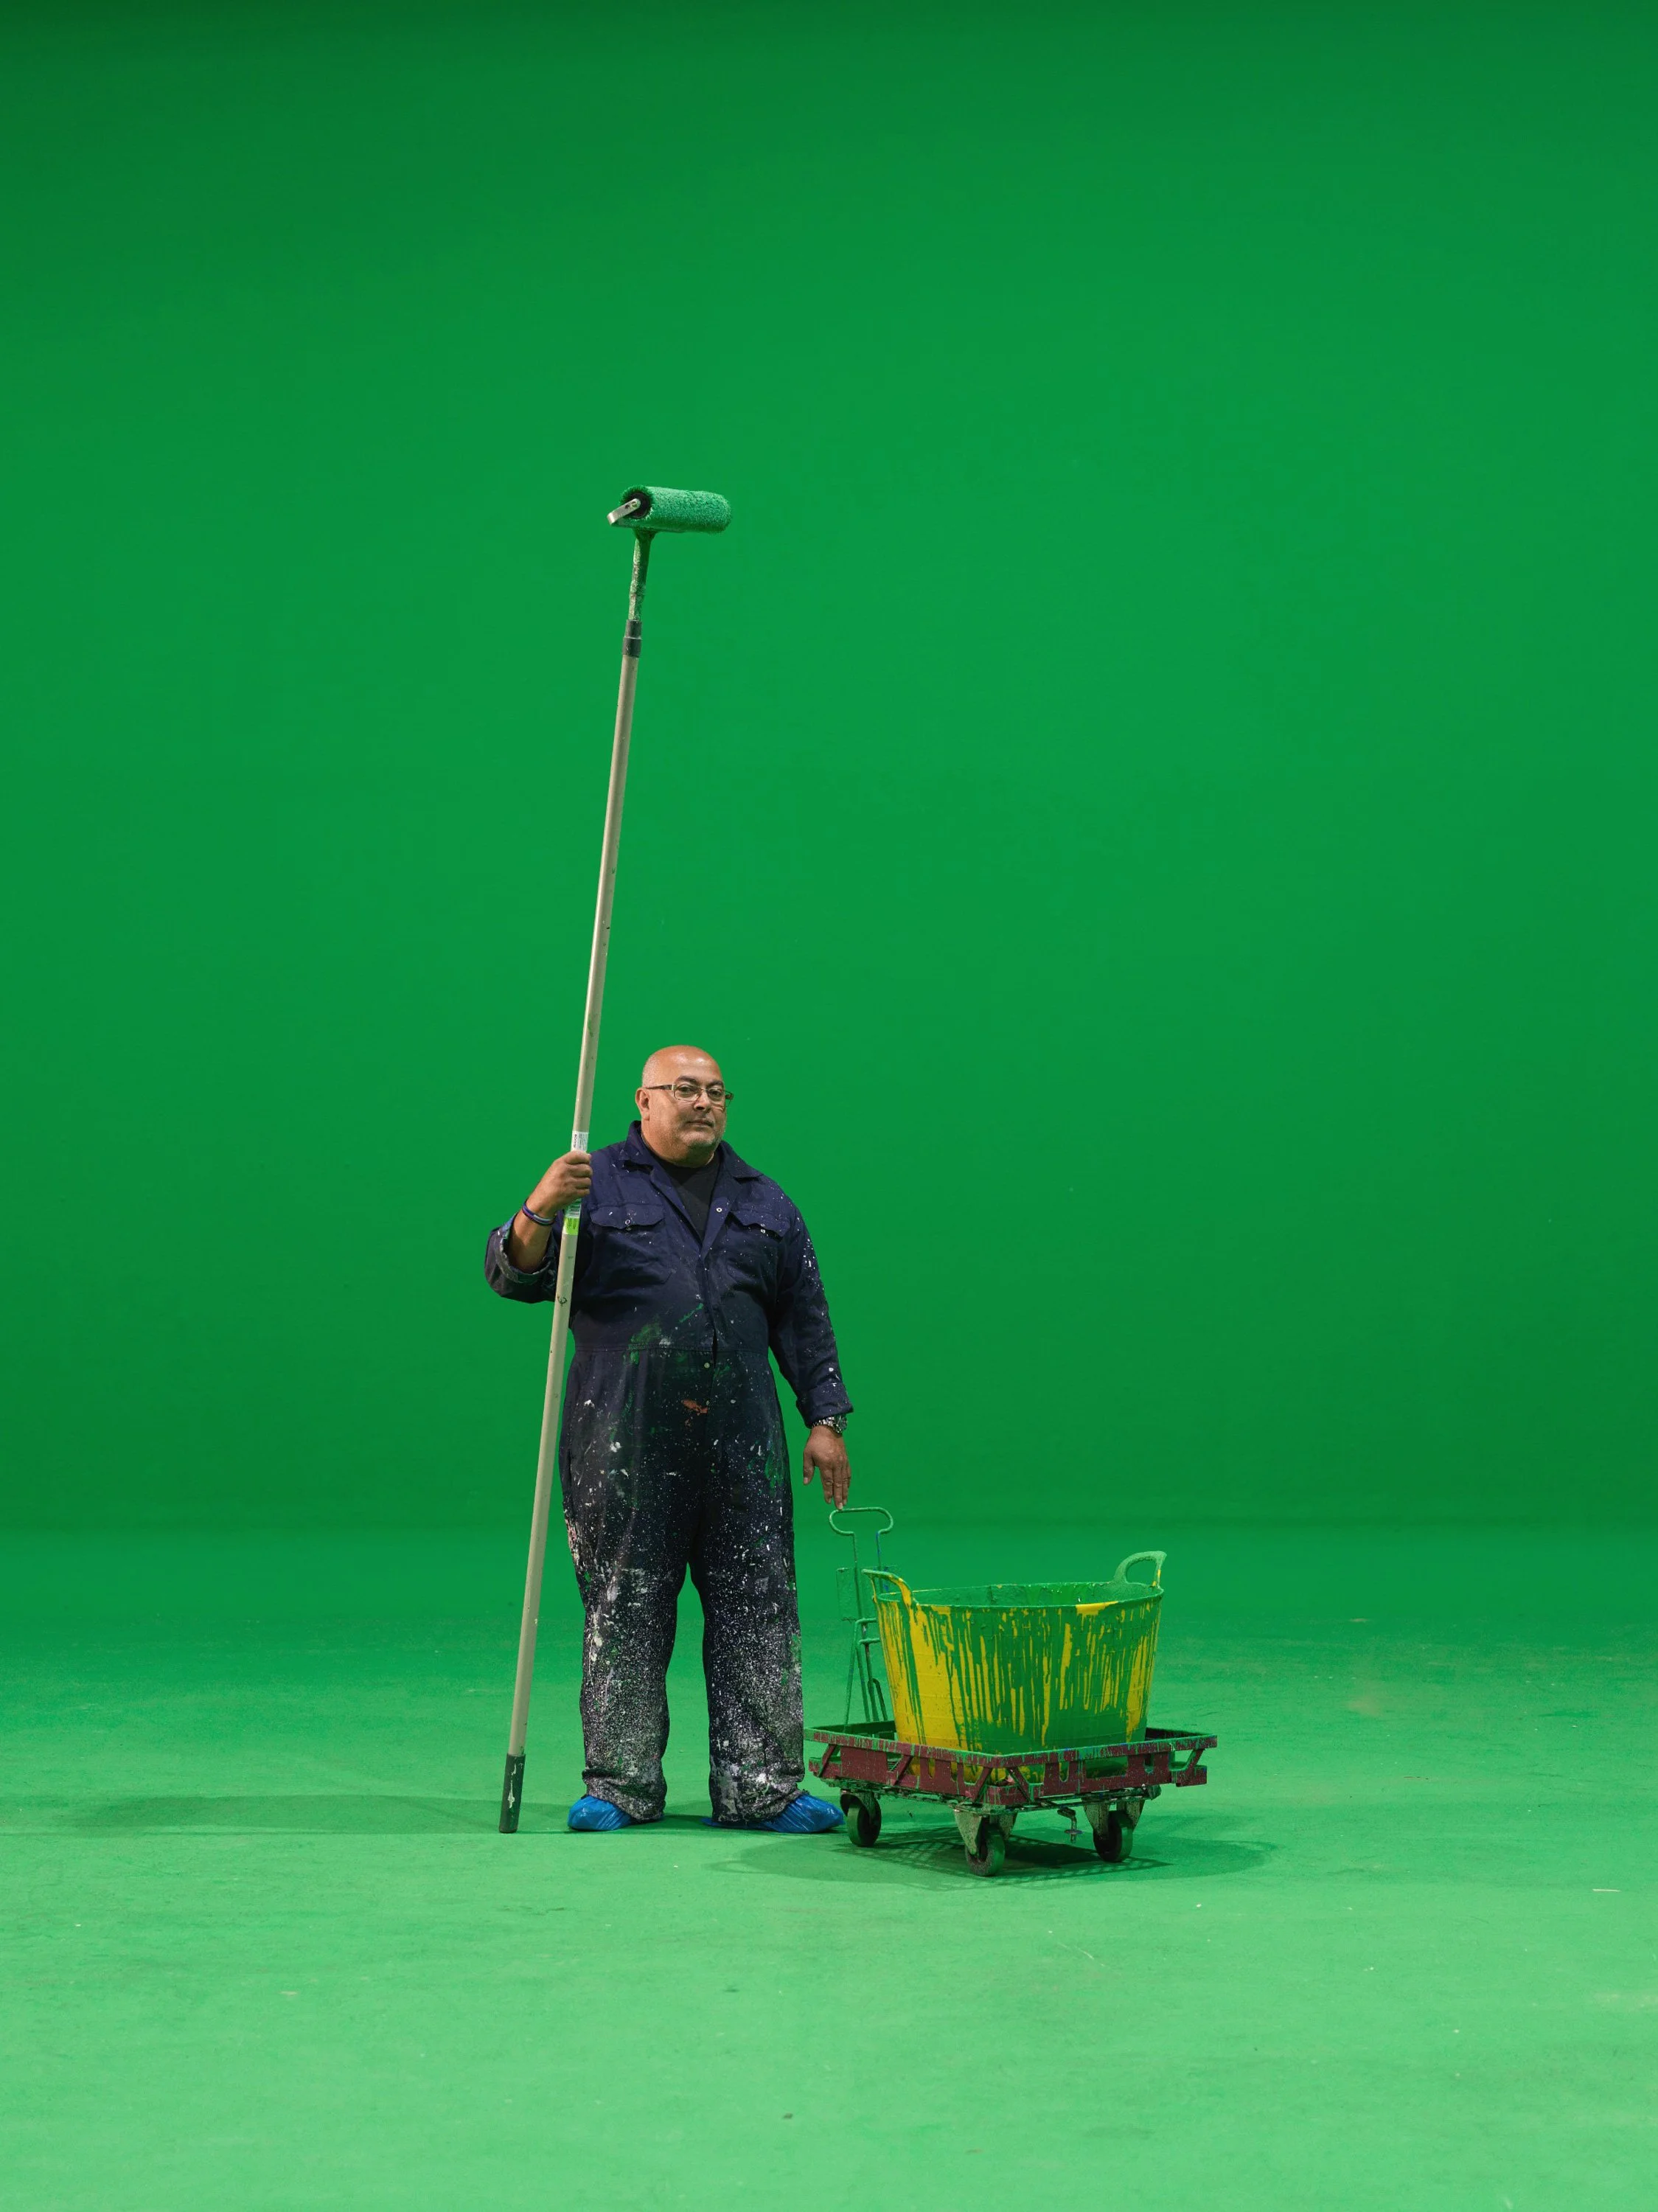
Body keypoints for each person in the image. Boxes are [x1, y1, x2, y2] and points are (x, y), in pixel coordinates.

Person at [485, 1045, 853, 1834]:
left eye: (716, 1091)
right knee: (625, 1609)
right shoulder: (590, 1185)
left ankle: (762, 1788)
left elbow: (804, 1318)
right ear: (644, 1100)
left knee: (758, 1611)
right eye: (685, 1089)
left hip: (742, 1443)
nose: (704, 1102)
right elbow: (514, 1275)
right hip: (623, 1436)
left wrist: (824, 1421)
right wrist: (540, 1204)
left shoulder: (766, 1201)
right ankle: (619, 1786)